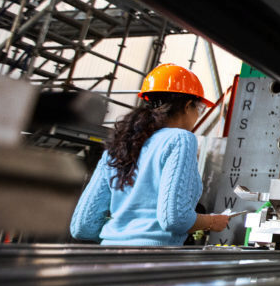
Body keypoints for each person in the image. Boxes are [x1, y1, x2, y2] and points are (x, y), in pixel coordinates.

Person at [70, 63, 230, 246]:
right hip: (152, 262)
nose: (197, 116)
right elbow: (175, 219)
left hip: (106, 259)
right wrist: (212, 222)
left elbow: (83, 225)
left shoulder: (119, 145)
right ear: (187, 106)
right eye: (199, 109)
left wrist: (124, 230)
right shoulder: (180, 139)